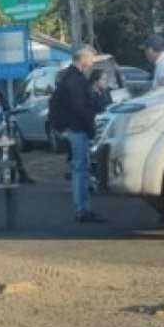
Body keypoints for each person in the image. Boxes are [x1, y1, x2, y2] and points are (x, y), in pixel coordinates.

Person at [49, 44, 104, 222]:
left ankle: (83, 207)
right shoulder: (76, 80)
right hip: (77, 128)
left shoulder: (68, 77)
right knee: (80, 169)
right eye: (91, 59)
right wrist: (91, 126)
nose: (92, 62)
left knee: (80, 168)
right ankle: (82, 209)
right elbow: (79, 107)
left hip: (71, 127)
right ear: (83, 59)